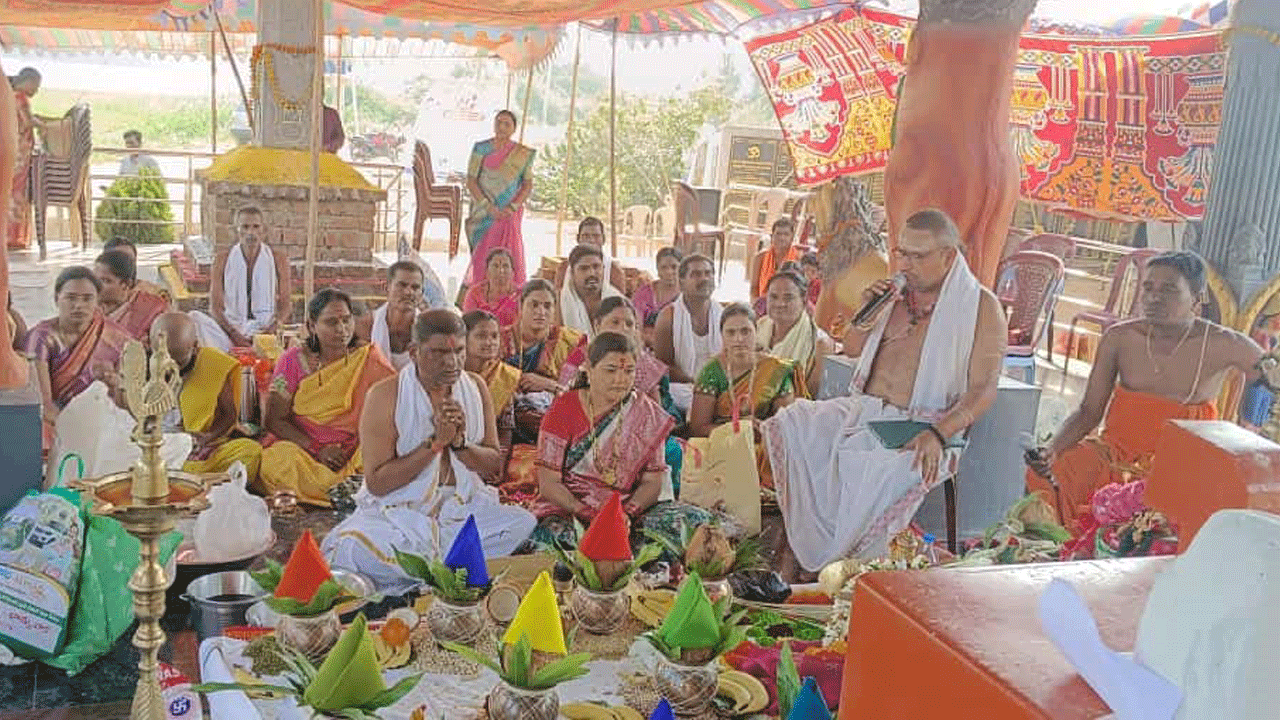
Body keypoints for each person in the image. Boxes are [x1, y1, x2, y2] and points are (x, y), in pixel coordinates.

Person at [764, 209, 1007, 576]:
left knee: (876, 465)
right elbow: (852, 348)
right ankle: (799, 552)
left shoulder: (981, 307)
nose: (905, 264)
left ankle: (834, 570)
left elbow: (983, 389)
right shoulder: (892, 294)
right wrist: (867, 314)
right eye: (901, 253)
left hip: (925, 424)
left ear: (948, 256)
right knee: (793, 422)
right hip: (865, 410)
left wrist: (939, 433)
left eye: (918, 256)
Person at [1026, 251, 1264, 527]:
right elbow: (1089, 411)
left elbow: (1266, 376)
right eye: (1148, 288)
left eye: (1169, 290)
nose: (1154, 298)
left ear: (1197, 298)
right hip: (1114, 455)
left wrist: (1248, 430)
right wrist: (1052, 449)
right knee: (1049, 474)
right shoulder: (1120, 337)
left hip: (1182, 466)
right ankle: (1070, 548)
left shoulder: (1223, 343)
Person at [323, 310, 535, 593]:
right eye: (439, 353)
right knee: (353, 548)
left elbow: (492, 465)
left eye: (459, 351)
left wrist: (460, 444)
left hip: (463, 508)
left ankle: (430, 572)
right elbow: (377, 483)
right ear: (414, 352)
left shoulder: (476, 388)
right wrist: (434, 444)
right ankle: (454, 568)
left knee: (523, 522)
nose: (452, 362)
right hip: (401, 513)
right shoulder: (385, 396)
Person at [531, 332, 681, 548]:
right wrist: (587, 513)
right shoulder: (563, 409)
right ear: (589, 369)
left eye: (629, 371)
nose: (620, 380)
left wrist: (626, 514)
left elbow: (652, 482)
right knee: (558, 541)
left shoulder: (646, 413)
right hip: (569, 508)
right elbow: (549, 483)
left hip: (625, 509)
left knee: (683, 523)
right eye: (611, 370)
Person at [258, 288, 396, 505]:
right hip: (306, 451)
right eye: (331, 322)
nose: (342, 329)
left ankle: (346, 489)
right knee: (276, 461)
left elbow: (394, 406)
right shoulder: (292, 361)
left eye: (346, 320)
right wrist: (318, 449)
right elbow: (274, 420)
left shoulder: (369, 358)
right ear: (312, 326)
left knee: (384, 450)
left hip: (354, 451)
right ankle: (347, 492)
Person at [690, 303, 803, 491]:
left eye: (745, 331)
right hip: (723, 447)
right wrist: (739, 429)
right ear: (722, 336)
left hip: (764, 447)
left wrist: (762, 429)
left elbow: (787, 423)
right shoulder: (712, 371)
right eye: (731, 333)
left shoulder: (775, 370)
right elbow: (698, 428)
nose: (739, 339)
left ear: (756, 332)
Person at [150, 313, 263, 482]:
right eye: (164, 361)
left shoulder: (214, 364)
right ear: (151, 346)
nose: (171, 369)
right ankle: (197, 479)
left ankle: (184, 478)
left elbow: (229, 415)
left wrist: (206, 437)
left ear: (195, 346)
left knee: (250, 451)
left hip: (198, 450)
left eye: (178, 362)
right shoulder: (139, 366)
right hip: (155, 449)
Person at [25, 266, 132, 444]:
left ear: (98, 301)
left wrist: (115, 385)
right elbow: (44, 405)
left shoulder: (117, 339)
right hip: (57, 424)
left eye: (87, 299)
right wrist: (77, 432)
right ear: (57, 299)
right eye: (71, 298)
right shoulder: (41, 338)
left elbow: (128, 404)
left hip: (105, 422)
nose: (79, 305)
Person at [191, 205, 292, 352]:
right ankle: (233, 351)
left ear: (263, 230)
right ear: (236, 230)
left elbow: (286, 305)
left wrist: (270, 331)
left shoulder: (278, 259)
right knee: (194, 318)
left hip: (266, 330)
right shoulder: (222, 259)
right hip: (232, 332)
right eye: (245, 227)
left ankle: (236, 353)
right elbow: (215, 308)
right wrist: (234, 335)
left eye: (256, 227)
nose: (251, 232)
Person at [500, 278, 582, 444]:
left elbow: (583, 393)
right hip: (505, 422)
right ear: (521, 306)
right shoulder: (500, 340)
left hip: (555, 423)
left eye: (547, 306)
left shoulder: (570, 342)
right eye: (534, 305)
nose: (541, 312)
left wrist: (548, 385)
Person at [464, 110, 533, 288]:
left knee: (510, 255)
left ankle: (511, 295)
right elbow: (471, 181)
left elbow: (527, 185)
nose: (501, 127)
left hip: (509, 214)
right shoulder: (481, 149)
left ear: (514, 128)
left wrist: (512, 207)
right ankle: (481, 293)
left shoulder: (522, 154)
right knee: (483, 256)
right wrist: (488, 207)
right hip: (484, 213)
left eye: (506, 124)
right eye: (498, 123)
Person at [653, 253, 722, 412]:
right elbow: (663, 367)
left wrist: (714, 384)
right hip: (685, 387)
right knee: (667, 393)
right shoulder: (668, 317)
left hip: (719, 385)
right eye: (696, 274)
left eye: (708, 273)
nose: (704, 279)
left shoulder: (722, 315)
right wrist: (697, 382)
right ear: (682, 282)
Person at [757, 270, 835, 393]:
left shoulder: (820, 344)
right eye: (773, 297)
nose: (780, 304)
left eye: (788, 298)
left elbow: (811, 395)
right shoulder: (758, 327)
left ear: (803, 301)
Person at [464, 309, 520, 467]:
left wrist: (497, 464)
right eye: (481, 336)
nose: (490, 342)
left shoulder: (503, 376)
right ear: (464, 338)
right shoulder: (452, 373)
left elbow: (505, 428)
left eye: (494, 336)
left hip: (487, 452)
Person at [356, 261, 423, 370]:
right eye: (402, 285)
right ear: (387, 287)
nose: (408, 292)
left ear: (421, 293)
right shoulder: (366, 326)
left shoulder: (429, 330)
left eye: (415, 287)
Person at [94, 250, 169, 344]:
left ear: (126, 284)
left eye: (105, 281)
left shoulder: (152, 309)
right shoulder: (87, 306)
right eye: (94, 279)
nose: (96, 285)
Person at [6, 68, 40, 251]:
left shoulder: (8, 96)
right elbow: (28, 122)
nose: (36, 90)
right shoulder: (21, 98)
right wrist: (44, 124)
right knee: (17, 194)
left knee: (8, 192)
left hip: (9, 150)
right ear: (29, 81)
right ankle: (14, 236)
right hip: (20, 155)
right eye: (36, 85)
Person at [558, 243, 622, 335]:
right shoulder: (559, 302)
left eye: (596, 267)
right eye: (584, 268)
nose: (591, 273)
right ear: (572, 273)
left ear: (603, 269)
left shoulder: (617, 301)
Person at [552, 217, 625, 293]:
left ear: (603, 239)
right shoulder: (564, 268)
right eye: (585, 236)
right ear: (578, 239)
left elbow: (619, 299)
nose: (591, 240)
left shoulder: (613, 270)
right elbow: (558, 297)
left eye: (596, 236)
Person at [461, 247, 520, 327]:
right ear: (487, 272)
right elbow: (468, 325)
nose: (501, 271)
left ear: (513, 273)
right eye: (495, 266)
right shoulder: (474, 294)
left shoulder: (519, 296)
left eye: (505, 266)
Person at [748, 218, 802, 301]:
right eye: (778, 234)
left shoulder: (798, 258)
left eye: (786, 234)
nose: (782, 238)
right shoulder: (760, 257)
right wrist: (757, 304)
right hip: (764, 303)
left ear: (792, 238)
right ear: (772, 236)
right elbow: (754, 288)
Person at [631, 246, 682, 331]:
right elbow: (635, 327)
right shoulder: (644, 293)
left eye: (674, 267)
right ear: (657, 269)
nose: (669, 272)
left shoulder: (687, 294)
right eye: (664, 267)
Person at [103, 237, 169, 299]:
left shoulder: (153, 292)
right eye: (120, 260)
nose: (126, 264)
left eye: (130, 259)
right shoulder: (100, 292)